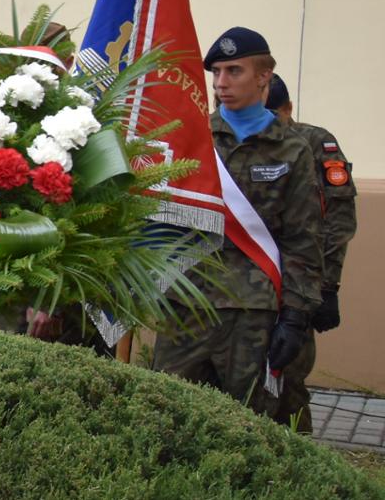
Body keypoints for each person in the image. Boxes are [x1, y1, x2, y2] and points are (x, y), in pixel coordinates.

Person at [152, 28, 324, 425]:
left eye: (234, 71)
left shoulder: (292, 148)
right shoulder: (190, 137)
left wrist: (296, 316)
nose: (221, 83)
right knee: (166, 416)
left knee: (247, 421)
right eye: (216, 72)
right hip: (186, 302)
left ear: (264, 76)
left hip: (253, 312)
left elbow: (303, 240)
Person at [266, 75, 357, 433]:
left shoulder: (317, 143)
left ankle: (296, 462)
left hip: (298, 283)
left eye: (274, 114)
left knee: (289, 380)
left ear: (289, 110)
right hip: (246, 281)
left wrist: (329, 286)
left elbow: (338, 220)